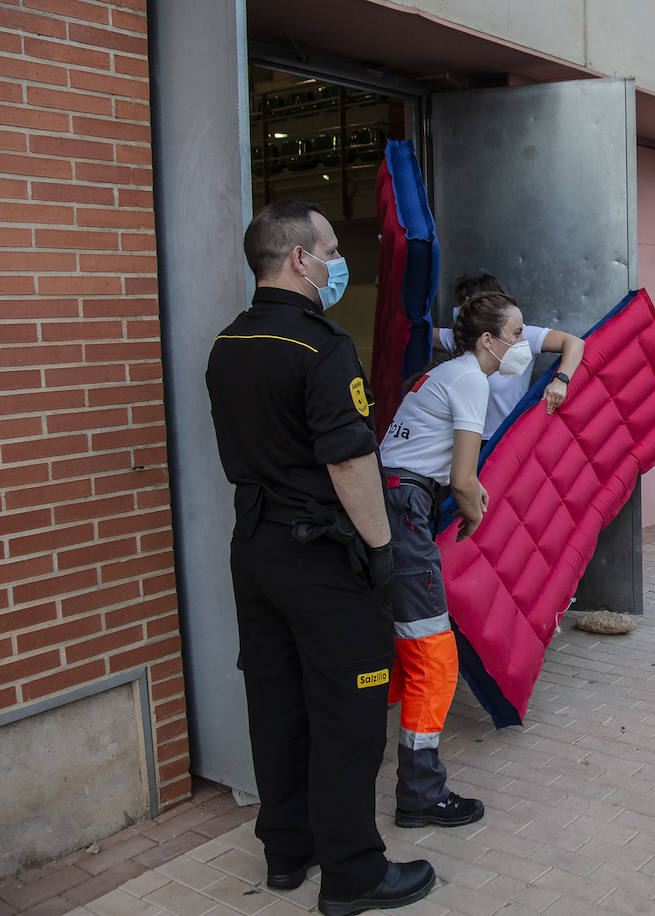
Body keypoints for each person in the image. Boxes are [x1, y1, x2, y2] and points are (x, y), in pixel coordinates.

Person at [206, 201, 435, 915]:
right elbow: (348, 462)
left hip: (255, 551)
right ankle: (353, 874)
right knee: (347, 716)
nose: (340, 262)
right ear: (300, 259)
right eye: (332, 250)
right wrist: (381, 551)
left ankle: (286, 850)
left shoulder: (229, 342)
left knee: (276, 706)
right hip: (322, 559)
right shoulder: (320, 346)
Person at [377, 291, 528, 828]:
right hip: (405, 512)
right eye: (514, 335)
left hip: (394, 505)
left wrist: (465, 496)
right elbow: (464, 478)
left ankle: (359, 763)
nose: (521, 344)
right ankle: (420, 795)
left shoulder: (447, 372)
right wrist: (474, 509)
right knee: (434, 659)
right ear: (487, 340)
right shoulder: (469, 380)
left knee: (398, 653)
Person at [434, 273, 585, 439]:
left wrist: (561, 380)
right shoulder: (460, 338)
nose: (464, 314)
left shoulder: (524, 336)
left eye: (472, 306)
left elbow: (575, 343)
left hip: (507, 437)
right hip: (467, 434)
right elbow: (417, 332)